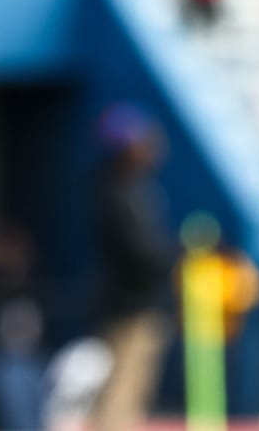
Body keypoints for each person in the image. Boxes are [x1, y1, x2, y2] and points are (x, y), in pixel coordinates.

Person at [89, 106, 174, 431]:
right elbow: (142, 253)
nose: (150, 149)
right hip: (131, 309)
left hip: (133, 304)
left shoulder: (126, 188)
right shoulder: (117, 192)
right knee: (121, 394)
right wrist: (173, 256)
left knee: (128, 394)